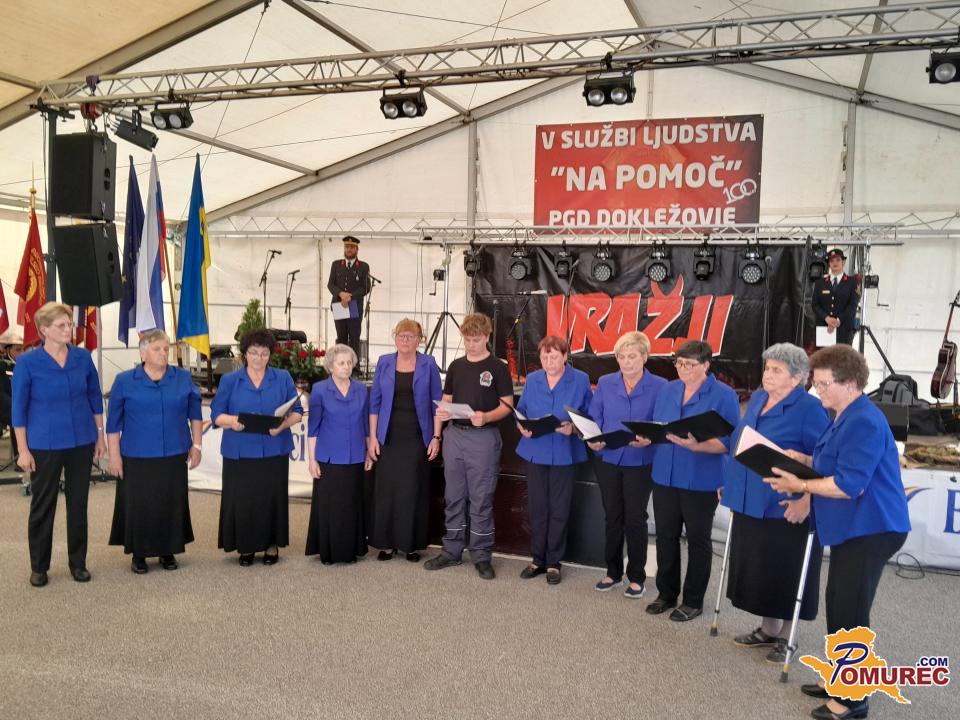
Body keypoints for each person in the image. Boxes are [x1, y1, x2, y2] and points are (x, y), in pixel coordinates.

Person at [765, 344, 910, 720]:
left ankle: (853, 700)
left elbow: (849, 485)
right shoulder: (843, 414)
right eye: (816, 384)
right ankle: (841, 679)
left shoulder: (863, 421)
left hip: (872, 527)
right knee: (838, 603)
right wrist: (804, 459)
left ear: (851, 383)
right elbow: (833, 461)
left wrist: (800, 483)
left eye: (824, 384)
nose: (818, 391)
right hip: (853, 526)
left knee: (851, 609)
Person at [720, 343, 830, 663]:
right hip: (750, 498)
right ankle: (769, 628)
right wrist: (730, 482)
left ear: (797, 378)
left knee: (786, 570)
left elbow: (824, 461)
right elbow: (743, 443)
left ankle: (787, 636)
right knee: (760, 568)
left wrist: (807, 500)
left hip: (786, 505)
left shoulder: (810, 409)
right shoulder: (758, 398)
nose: (767, 374)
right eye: (767, 368)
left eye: (776, 370)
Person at [12, 302, 106, 587]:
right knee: (43, 504)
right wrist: (23, 450)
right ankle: (39, 566)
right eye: (61, 325)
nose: (68, 329)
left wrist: (100, 436)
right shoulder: (28, 362)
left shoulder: (82, 358)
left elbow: (94, 397)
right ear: (44, 330)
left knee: (78, 503)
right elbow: (19, 409)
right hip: (45, 443)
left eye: (70, 324)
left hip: (81, 440)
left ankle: (78, 563)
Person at [647, 340, 740, 621]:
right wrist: (647, 436)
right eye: (679, 363)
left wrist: (699, 446)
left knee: (698, 539)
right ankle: (666, 593)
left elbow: (731, 441)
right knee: (666, 535)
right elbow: (660, 426)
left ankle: (693, 600)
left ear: (706, 365)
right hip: (665, 473)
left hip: (701, 476)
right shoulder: (668, 389)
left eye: (689, 364)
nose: (683, 368)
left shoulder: (724, 395)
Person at [425, 313, 513, 580]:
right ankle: (451, 551)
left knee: (480, 498)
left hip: (483, 437)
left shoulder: (498, 367)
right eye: (466, 340)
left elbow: (507, 405)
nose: (470, 345)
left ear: (487, 337)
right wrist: (439, 428)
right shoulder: (456, 366)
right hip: (455, 436)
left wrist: (486, 416)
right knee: (453, 495)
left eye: (475, 340)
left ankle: (481, 555)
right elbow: (446, 400)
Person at [106, 330, 203, 574]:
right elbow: (113, 424)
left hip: (174, 452)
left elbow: (195, 415)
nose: (163, 353)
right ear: (143, 353)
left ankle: (167, 551)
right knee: (139, 504)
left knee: (171, 502)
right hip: (137, 455)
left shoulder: (182, 378)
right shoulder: (124, 381)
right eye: (157, 349)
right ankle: (139, 553)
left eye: (166, 349)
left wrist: (197, 446)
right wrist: (114, 456)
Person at [211, 328, 303, 566]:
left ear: (270, 354)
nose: (258, 358)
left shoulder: (283, 377)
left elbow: (298, 412)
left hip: (274, 448)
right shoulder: (230, 380)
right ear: (245, 353)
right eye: (253, 352)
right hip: (239, 451)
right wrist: (232, 421)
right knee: (243, 500)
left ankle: (272, 544)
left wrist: (283, 425)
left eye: (264, 353)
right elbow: (216, 415)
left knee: (271, 498)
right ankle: (246, 546)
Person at [586, 331, 666, 597]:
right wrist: (592, 439)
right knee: (612, 515)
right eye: (621, 356)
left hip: (641, 460)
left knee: (635, 517)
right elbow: (594, 416)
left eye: (632, 356)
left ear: (645, 357)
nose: (626, 361)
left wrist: (651, 439)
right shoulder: (606, 382)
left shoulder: (661, 386)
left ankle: (637, 576)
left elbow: (663, 423)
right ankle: (612, 572)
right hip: (608, 458)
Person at [515, 335, 593, 585]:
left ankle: (553, 563)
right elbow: (521, 410)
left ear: (565, 356)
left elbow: (590, 416)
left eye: (554, 356)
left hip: (564, 451)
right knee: (537, 508)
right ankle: (537, 559)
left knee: (559, 509)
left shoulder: (580, 379)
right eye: (544, 357)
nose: (549, 361)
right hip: (535, 449)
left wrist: (574, 428)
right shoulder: (533, 379)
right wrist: (521, 427)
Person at [367, 319, 443, 563]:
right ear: (395, 337)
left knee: (412, 491)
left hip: (417, 437)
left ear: (419, 340)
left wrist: (436, 437)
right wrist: (373, 438)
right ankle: (386, 543)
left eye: (411, 336)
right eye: (401, 335)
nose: (405, 340)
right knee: (387, 491)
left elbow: (437, 403)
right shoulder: (384, 362)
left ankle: (410, 544)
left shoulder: (429, 363)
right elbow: (374, 403)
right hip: (388, 437)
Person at [306, 343, 369, 564]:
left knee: (351, 505)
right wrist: (312, 460)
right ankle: (328, 551)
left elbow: (366, 425)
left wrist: (369, 453)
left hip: (355, 456)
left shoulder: (361, 389)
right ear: (331, 366)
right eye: (341, 363)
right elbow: (313, 428)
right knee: (330, 506)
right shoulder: (319, 390)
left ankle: (350, 550)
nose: (346, 367)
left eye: (349, 362)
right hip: (328, 458)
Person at [326, 235, 370, 362]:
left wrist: (350, 297)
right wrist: (340, 294)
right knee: (341, 338)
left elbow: (366, 287)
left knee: (354, 338)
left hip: (354, 305)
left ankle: (354, 367)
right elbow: (330, 284)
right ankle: (341, 363)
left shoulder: (363, 266)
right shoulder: (336, 265)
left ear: (357, 249)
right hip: (339, 304)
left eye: (351, 247)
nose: (349, 249)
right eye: (346, 247)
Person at [812, 248, 858, 346]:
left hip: (844, 330)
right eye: (831, 260)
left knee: (842, 355)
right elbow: (815, 305)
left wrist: (838, 320)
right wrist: (826, 318)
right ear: (829, 264)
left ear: (843, 262)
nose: (835, 263)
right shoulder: (820, 283)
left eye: (838, 260)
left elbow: (852, 305)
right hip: (824, 329)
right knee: (824, 355)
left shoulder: (852, 282)